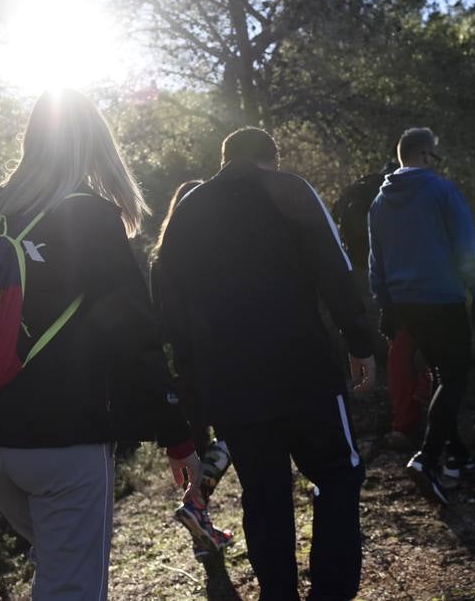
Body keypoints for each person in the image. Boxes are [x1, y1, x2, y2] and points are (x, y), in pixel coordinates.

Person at [0, 89, 204, 601]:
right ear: (94, 146)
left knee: (58, 561)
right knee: (71, 585)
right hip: (61, 443)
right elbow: (134, 339)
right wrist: (179, 437)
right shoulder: (89, 216)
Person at [153, 127, 377, 601]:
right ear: (270, 159)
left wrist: (195, 393)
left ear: (225, 159)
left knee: (265, 494)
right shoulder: (287, 188)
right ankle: (331, 593)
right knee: (338, 473)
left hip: (230, 384)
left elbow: (169, 309)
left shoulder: (187, 212)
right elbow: (333, 268)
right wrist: (359, 341)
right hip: (304, 369)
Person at [368, 127, 475, 506]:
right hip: (444, 299)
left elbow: (377, 260)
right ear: (424, 155)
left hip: (407, 304)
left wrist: (385, 305)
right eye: (434, 155)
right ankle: (427, 457)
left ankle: (457, 457)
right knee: (452, 378)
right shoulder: (442, 191)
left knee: (440, 377)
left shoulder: (380, 202)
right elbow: (465, 245)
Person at [149, 180, 235, 559]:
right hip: (220, 356)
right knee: (237, 431)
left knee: (198, 445)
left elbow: (159, 320)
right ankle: (197, 505)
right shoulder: (214, 253)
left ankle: (202, 538)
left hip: (181, 363)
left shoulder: (160, 260)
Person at [334, 165, 430, 449]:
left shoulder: (369, 195)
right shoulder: (418, 193)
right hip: (424, 287)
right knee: (431, 355)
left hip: (386, 286)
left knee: (399, 355)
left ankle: (403, 424)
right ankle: (429, 417)